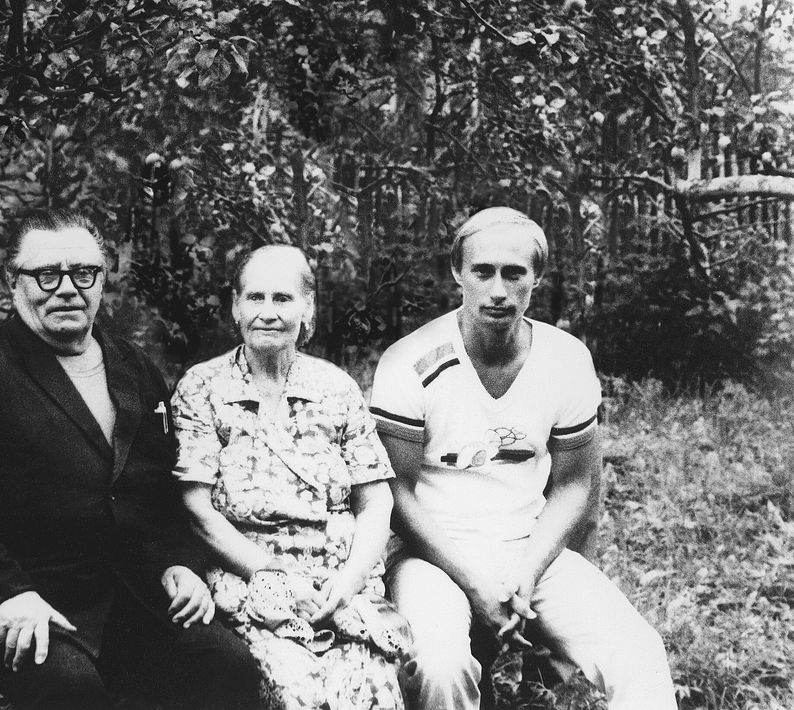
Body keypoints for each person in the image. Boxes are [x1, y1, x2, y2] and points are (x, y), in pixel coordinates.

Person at [0, 209, 262, 710]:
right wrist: (6, 592)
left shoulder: (134, 367)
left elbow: (161, 491)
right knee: (73, 691)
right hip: (12, 604)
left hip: (124, 599)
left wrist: (179, 563)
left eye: (84, 273)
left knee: (227, 668)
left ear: (101, 280)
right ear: (12, 281)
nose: (67, 289)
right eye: (47, 275)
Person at [369, 207, 678, 710]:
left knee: (638, 652)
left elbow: (574, 485)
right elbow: (396, 494)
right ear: (457, 273)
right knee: (440, 667)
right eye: (482, 272)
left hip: (528, 547)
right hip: (432, 553)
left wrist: (530, 573)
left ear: (537, 278)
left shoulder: (565, 358)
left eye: (514, 273)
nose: (498, 290)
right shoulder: (410, 361)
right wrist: (474, 585)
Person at [171, 245, 412, 710]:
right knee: (297, 695)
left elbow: (376, 500)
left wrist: (350, 580)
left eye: (282, 298)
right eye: (254, 298)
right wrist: (277, 577)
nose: (268, 312)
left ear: (308, 308)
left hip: (341, 588)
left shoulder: (336, 387)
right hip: (253, 586)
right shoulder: (202, 387)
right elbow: (196, 509)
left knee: (372, 695)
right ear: (236, 307)